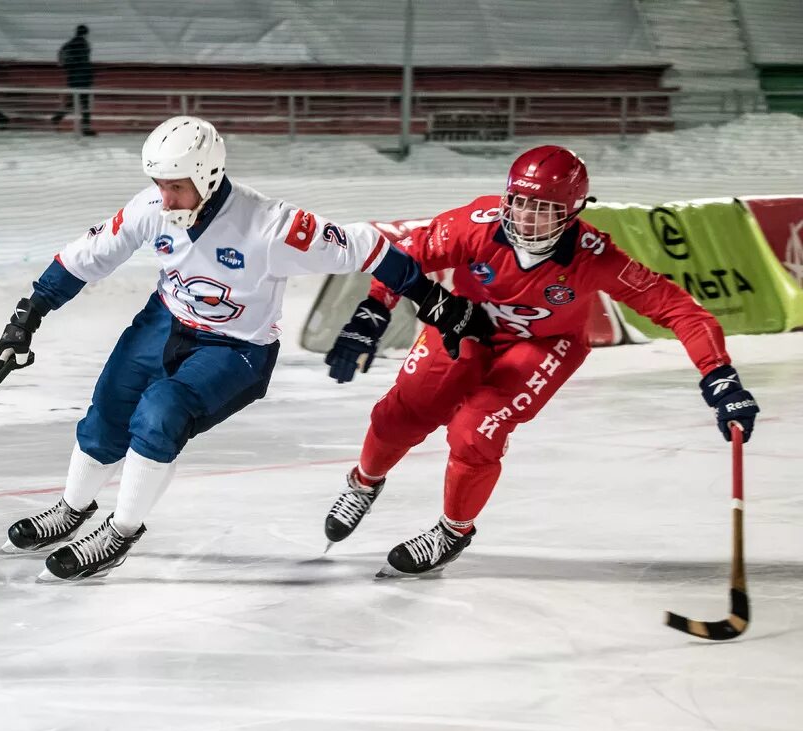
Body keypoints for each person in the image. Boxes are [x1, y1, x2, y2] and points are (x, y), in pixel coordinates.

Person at [0, 115, 491, 582]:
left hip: (237, 348)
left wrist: (432, 300)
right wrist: (28, 315)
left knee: (159, 412)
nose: (164, 200)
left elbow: (367, 246)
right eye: (159, 185)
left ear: (208, 177)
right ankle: (72, 509)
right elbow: (90, 255)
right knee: (108, 410)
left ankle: (119, 533)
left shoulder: (272, 226)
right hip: (164, 320)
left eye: (175, 187)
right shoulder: (152, 206)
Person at [321, 145, 761, 578]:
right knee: (402, 412)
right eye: (519, 202)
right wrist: (373, 309)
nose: (525, 217)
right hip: (464, 324)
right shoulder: (474, 223)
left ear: (571, 213)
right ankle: (363, 482)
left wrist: (720, 376)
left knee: (476, 431)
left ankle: (453, 532)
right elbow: (405, 257)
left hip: (545, 345)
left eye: (543, 209)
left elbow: (679, 309)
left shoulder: (595, 257)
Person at [51, 24, 94, 135]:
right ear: (85, 33)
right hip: (83, 78)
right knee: (84, 104)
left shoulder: (69, 44)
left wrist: (67, 67)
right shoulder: (83, 44)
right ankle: (85, 129)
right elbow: (84, 62)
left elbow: (61, 59)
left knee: (74, 103)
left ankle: (57, 118)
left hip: (72, 77)